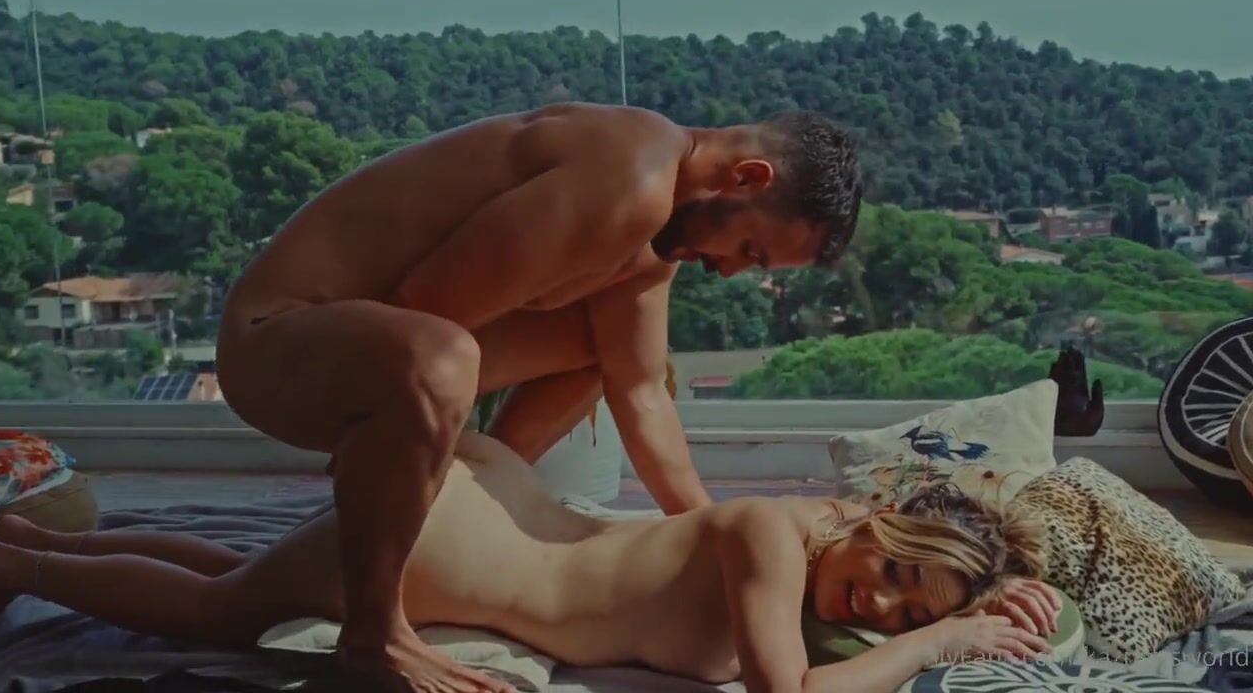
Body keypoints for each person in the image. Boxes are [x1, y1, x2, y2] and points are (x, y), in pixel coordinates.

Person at [212, 102, 864, 689]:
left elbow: (639, 389)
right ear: (746, 177)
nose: (729, 270)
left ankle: (467, 499)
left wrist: (716, 537)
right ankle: (374, 632)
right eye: (750, 249)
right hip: (277, 341)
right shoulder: (631, 176)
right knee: (444, 360)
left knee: (605, 348)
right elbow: (424, 312)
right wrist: (392, 485)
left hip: (383, 350)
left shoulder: (651, 238)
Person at [0, 432, 1058, 693]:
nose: (874, 607)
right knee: (221, 608)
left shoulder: (821, 548)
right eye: (893, 576)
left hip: (484, 513)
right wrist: (944, 638)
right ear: (876, 527)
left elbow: (900, 579)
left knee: (242, 570)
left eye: (898, 612)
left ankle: (35, 541)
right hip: (454, 545)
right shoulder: (772, 538)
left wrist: (989, 590)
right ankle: (5, 566)